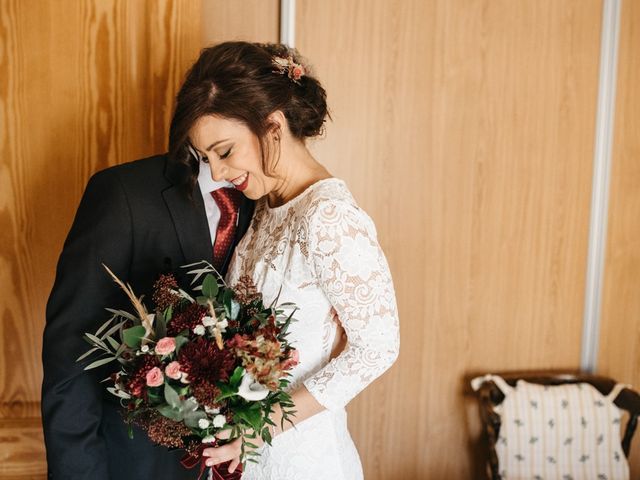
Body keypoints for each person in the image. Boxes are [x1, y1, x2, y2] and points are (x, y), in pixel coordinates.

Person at [175, 41, 401, 479]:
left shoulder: (328, 216)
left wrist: (262, 426)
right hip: (253, 458)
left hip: (306, 460)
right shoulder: (266, 206)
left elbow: (378, 347)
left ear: (273, 127)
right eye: (206, 159)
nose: (217, 174)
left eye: (224, 151)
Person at [41, 96, 255, 476]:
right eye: (219, 150)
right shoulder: (123, 193)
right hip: (140, 463)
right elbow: (70, 353)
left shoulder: (273, 204)